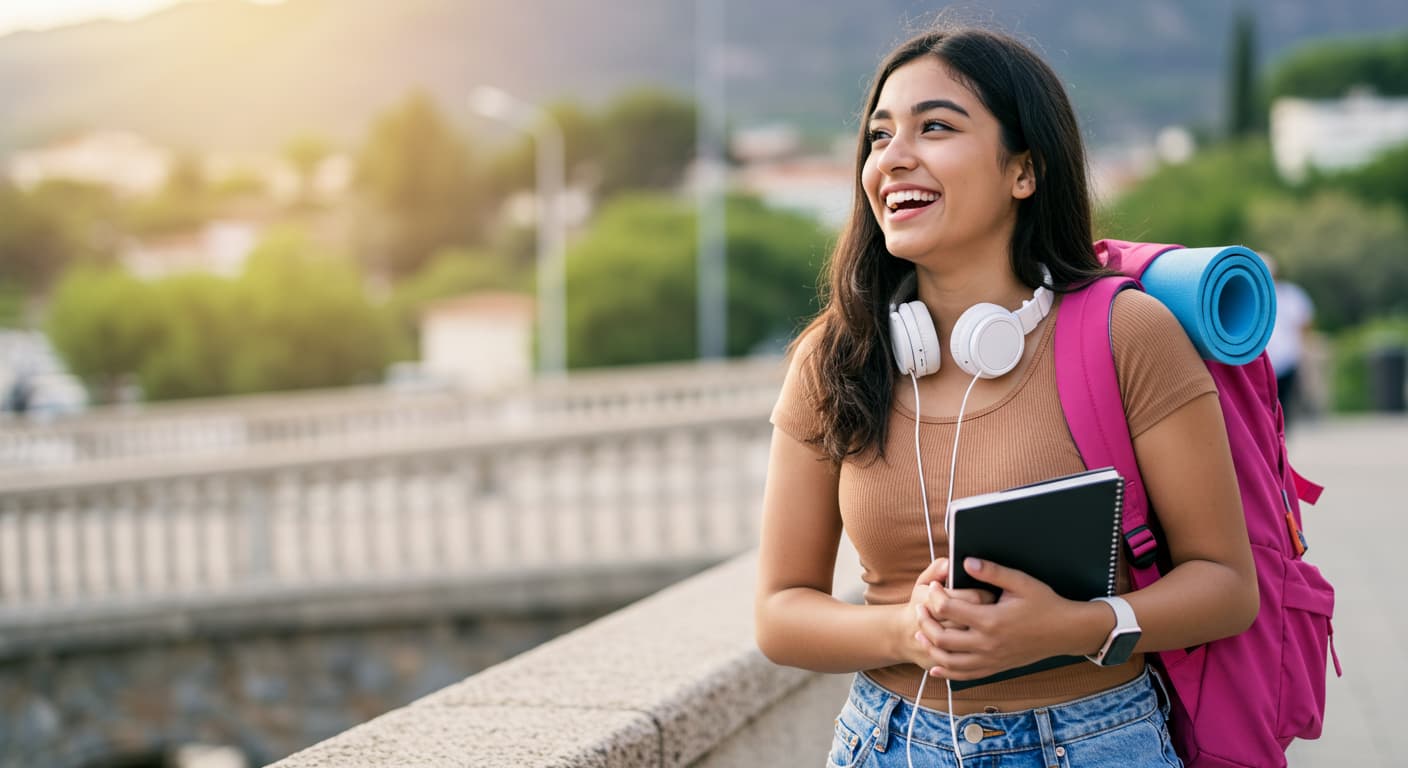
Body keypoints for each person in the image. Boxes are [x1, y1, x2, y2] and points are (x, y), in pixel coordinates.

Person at [753, 24, 1257, 768]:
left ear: (1024, 170)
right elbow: (779, 612)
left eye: (935, 127)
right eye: (879, 135)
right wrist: (906, 631)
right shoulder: (833, 357)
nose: (893, 157)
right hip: (889, 742)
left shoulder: (1128, 335)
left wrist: (1073, 626)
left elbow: (1225, 586)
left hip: (1095, 741)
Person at [1262, 254, 1314, 429]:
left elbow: (1304, 324)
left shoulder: (1291, 295)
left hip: (1286, 358)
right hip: (1263, 359)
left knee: (1283, 404)